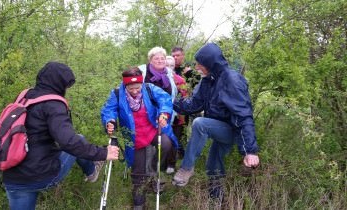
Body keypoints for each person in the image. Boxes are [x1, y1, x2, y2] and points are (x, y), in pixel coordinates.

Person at [3, 62, 120, 210]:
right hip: (40, 173)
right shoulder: (53, 104)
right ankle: (92, 172)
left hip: (13, 175)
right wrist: (103, 153)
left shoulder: (23, 97)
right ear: (59, 83)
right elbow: (68, 142)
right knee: (79, 139)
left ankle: (92, 171)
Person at [171, 43, 260, 201]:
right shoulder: (208, 80)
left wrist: (250, 150)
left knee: (200, 123)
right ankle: (216, 201)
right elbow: (194, 104)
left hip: (232, 130)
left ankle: (186, 168)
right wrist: (170, 103)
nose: (197, 67)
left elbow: (244, 115)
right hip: (218, 126)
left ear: (210, 63)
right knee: (213, 166)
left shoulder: (231, 80)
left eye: (200, 63)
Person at [101, 67, 178, 209]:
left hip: (152, 130)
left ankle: (153, 171)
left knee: (166, 143)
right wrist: (110, 121)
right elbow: (108, 110)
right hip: (134, 137)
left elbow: (164, 99)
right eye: (131, 89)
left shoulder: (148, 88)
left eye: (138, 87)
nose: (135, 91)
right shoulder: (117, 93)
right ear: (125, 85)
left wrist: (163, 113)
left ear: (141, 84)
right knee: (137, 173)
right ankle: (139, 203)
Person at [164, 56, 188, 174]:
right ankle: (162, 162)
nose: (169, 68)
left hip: (177, 117)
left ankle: (171, 164)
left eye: (171, 66)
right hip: (163, 116)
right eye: (166, 65)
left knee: (174, 139)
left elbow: (184, 98)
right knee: (164, 140)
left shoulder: (180, 80)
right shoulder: (158, 80)